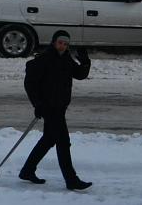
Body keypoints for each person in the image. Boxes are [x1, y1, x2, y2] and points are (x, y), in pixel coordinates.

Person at [19, 30, 92, 190]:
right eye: (60, 43)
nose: (62, 46)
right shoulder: (44, 59)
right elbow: (30, 83)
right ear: (54, 42)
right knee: (63, 142)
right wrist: (38, 104)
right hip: (49, 108)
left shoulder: (66, 59)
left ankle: (27, 170)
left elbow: (79, 74)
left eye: (66, 44)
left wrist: (85, 62)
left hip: (60, 107)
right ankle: (71, 179)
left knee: (49, 139)